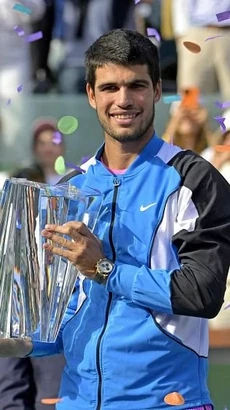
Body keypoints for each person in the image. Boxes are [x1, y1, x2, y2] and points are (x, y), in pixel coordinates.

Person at [0, 29, 230, 410]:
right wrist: (15, 339)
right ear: (91, 95)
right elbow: (60, 322)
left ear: (157, 90)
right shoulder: (71, 188)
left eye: (136, 85)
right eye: (109, 88)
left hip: (166, 403)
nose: (123, 100)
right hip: (77, 402)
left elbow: (202, 293)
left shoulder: (193, 179)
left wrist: (105, 269)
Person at [0, 120, 66, 410]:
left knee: (49, 397)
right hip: (12, 319)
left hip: (48, 319)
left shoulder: (60, 242)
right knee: (11, 395)